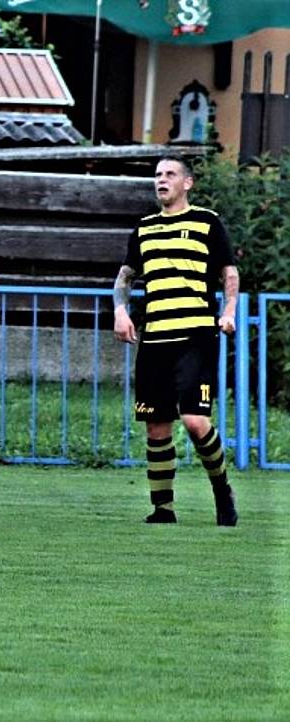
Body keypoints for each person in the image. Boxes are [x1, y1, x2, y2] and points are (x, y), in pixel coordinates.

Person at [113, 155, 239, 526]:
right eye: (157, 175)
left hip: (195, 335)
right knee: (156, 425)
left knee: (195, 421)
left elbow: (228, 271)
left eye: (169, 174)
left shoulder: (207, 222)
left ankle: (222, 490)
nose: (161, 180)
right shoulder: (144, 228)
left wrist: (229, 310)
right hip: (155, 340)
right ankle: (163, 509)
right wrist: (120, 311)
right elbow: (125, 277)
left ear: (188, 183)